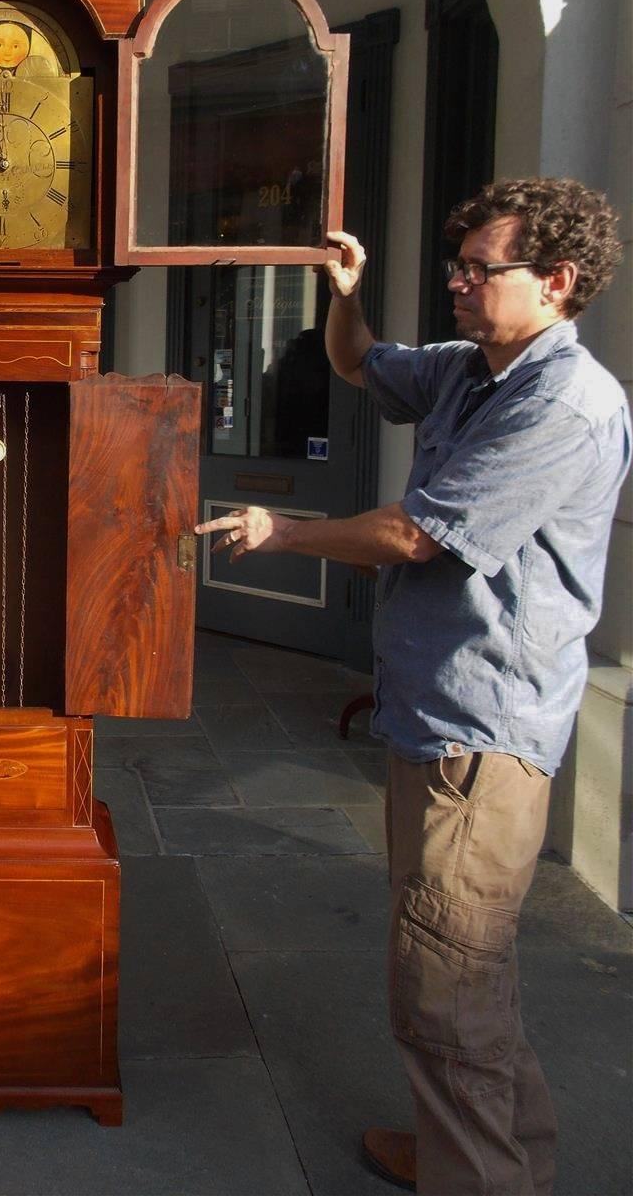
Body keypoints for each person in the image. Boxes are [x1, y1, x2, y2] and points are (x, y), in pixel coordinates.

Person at [196, 179, 629, 1196]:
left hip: (484, 729)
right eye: (460, 265)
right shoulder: (474, 369)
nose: (461, 283)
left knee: (446, 983)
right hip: (441, 715)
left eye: (484, 270)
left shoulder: (562, 402)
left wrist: (283, 531)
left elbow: (418, 535)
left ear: (557, 284)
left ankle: (476, 1178)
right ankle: (479, 1155)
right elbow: (357, 363)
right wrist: (346, 293)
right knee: (462, 961)